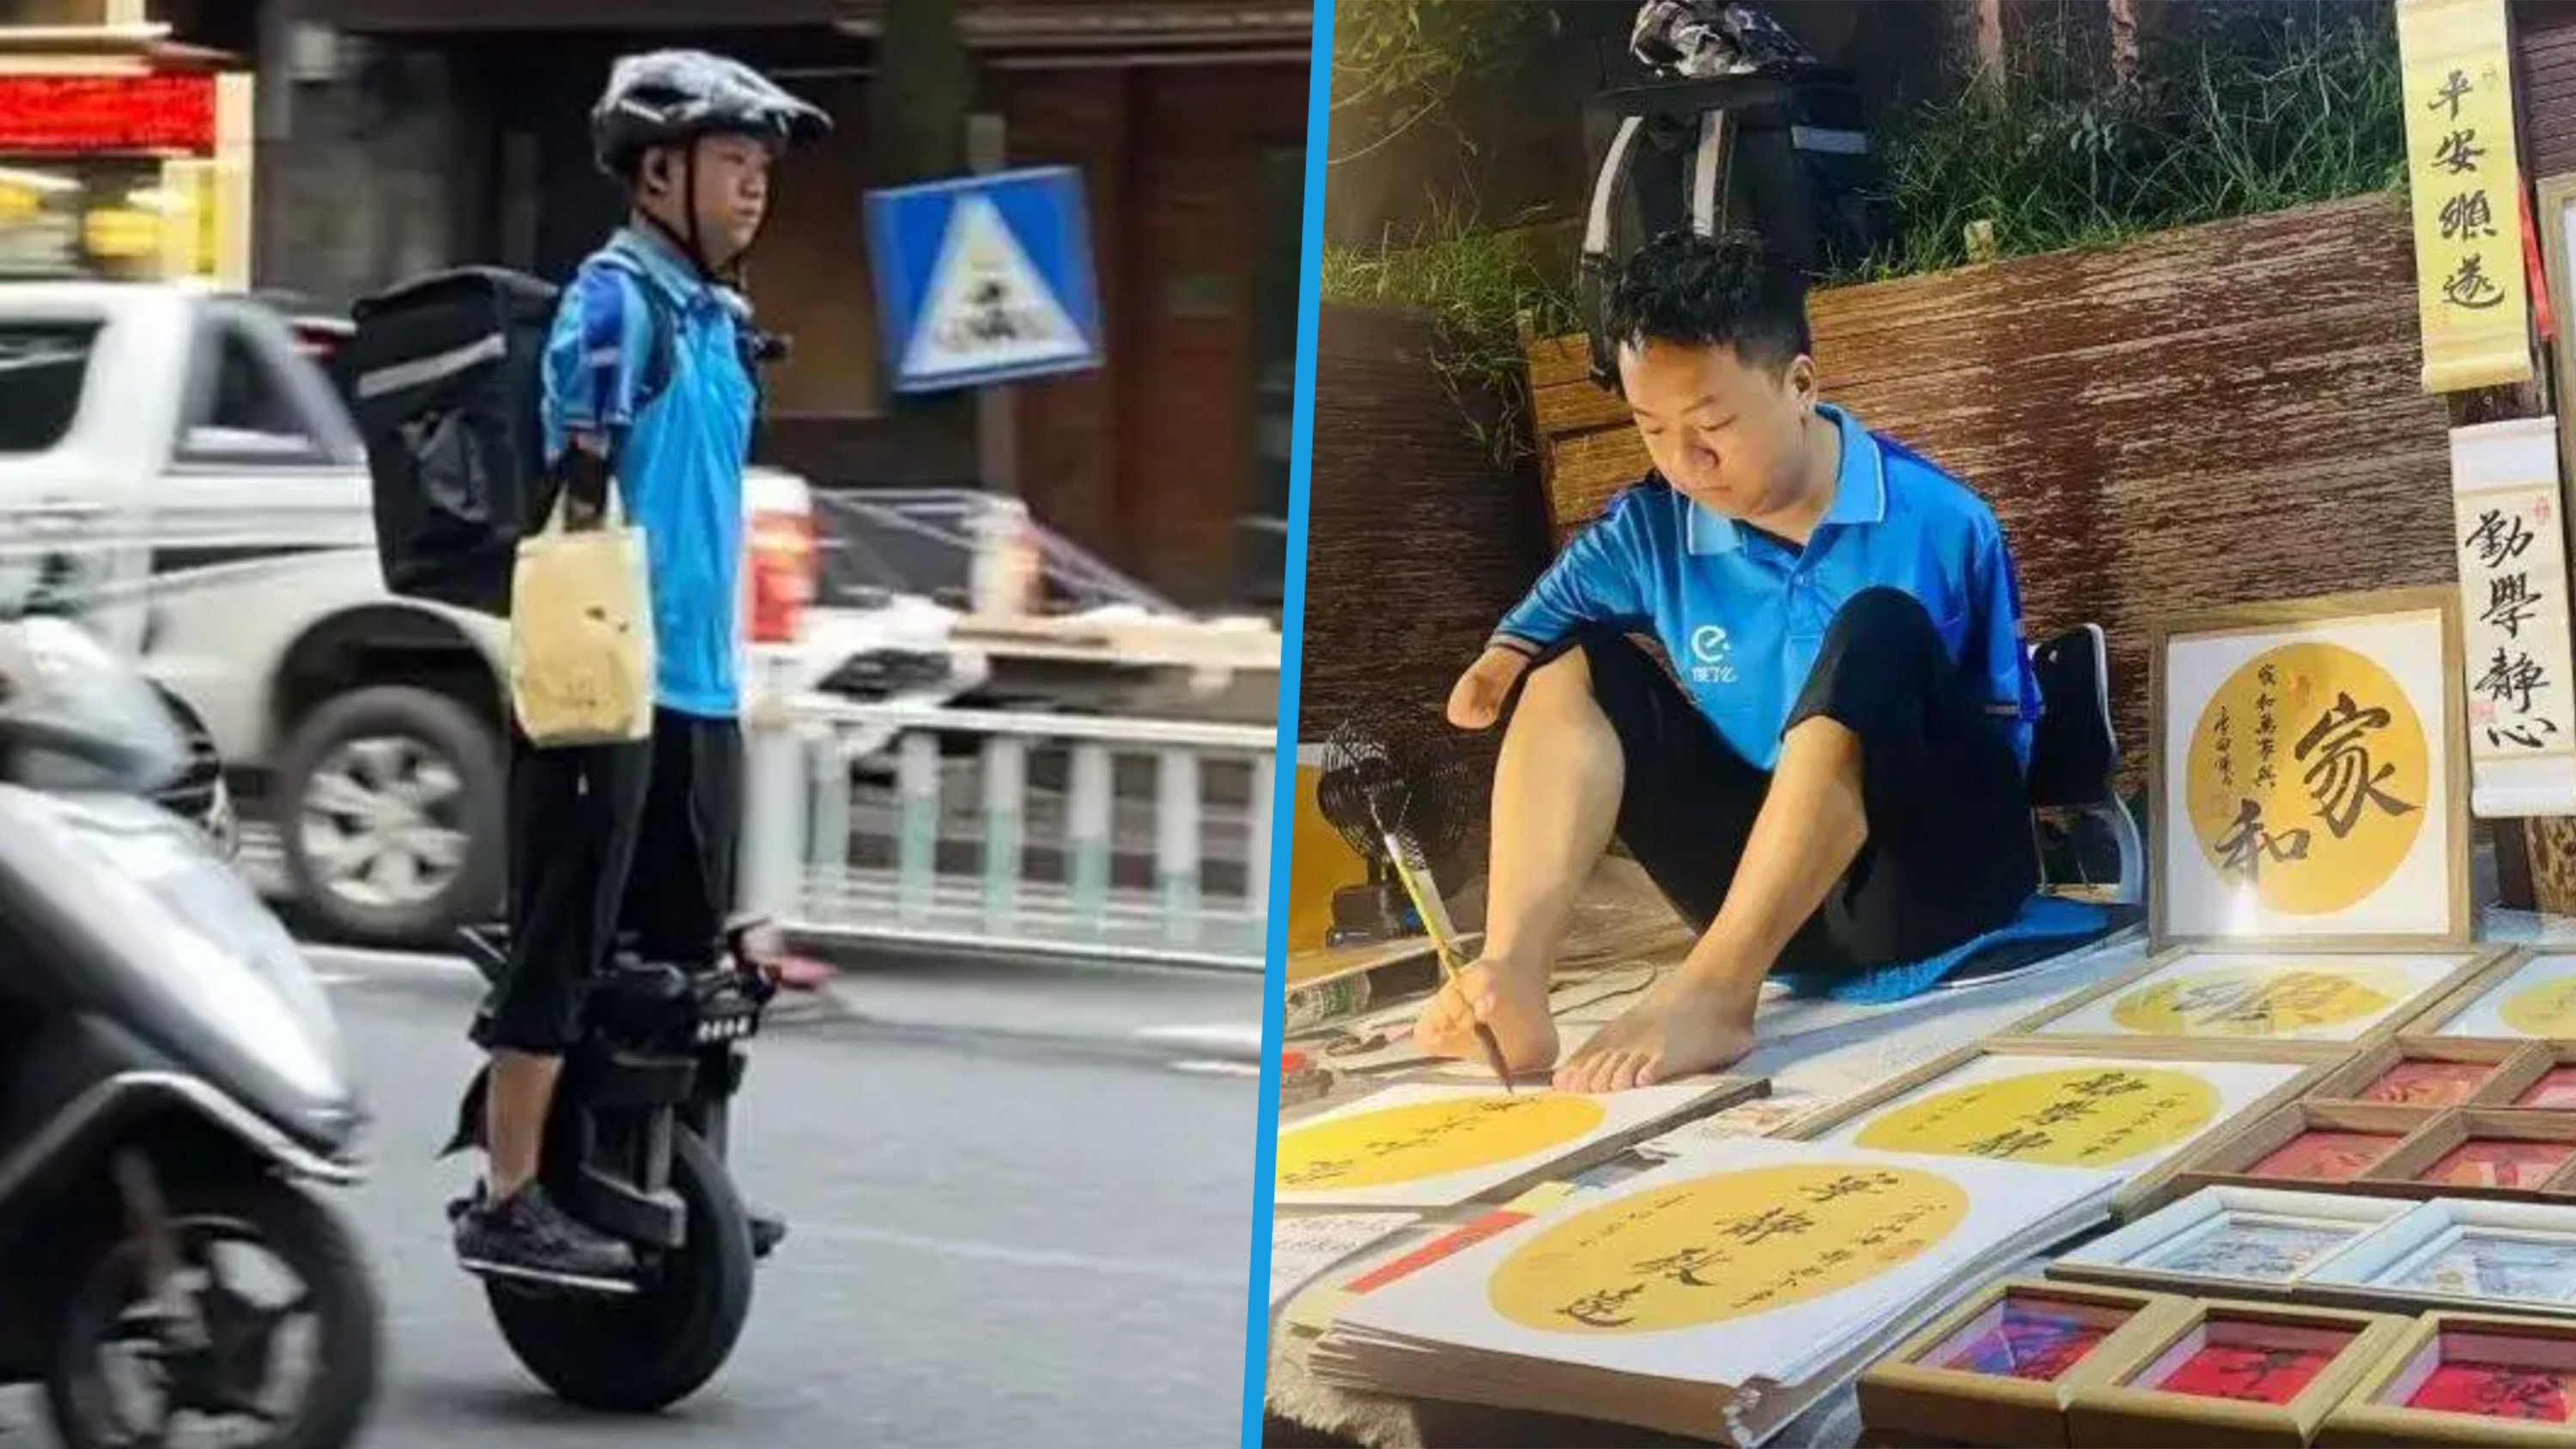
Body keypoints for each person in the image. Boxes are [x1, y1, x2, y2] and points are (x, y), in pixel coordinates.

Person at [1412, 227, 2045, 1094]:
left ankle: (1715, 990)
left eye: (1712, 425)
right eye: (1651, 429)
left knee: (1878, 628)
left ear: (1800, 385)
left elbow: (1999, 743)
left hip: (1928, 881)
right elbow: (1535, 626)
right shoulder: (1650, 528)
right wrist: (1495, 667)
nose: (1684, 461)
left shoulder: (1940, 519)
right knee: (1573, 657)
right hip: (1771, 902)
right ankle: (1514, 979)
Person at [453, 49, 828, 1285]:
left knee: (688, 964)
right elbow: (575, 486)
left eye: (763, 167)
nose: (755, 187)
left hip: (701, 688)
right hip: (599, 682)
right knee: (563, 939)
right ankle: (508, 1193)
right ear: (658, 171)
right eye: (735, 162)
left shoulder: (717, 319)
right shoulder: (614, 303)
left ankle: (674, 1170)